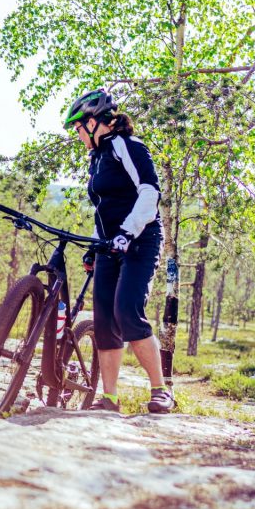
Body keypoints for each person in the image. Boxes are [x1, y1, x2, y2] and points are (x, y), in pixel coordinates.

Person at [65, 88, 176, 414]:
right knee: (103, 321)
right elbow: (105, 209)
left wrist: (128, 232)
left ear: (95, 122)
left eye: (78, 126)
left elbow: (149, 193)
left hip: (141, 240)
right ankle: (109, 398)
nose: (76, 133)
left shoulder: (127, 147)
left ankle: (160, 390)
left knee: (127, 311)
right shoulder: (97, 159)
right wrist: (94, 244)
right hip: (109, 243)